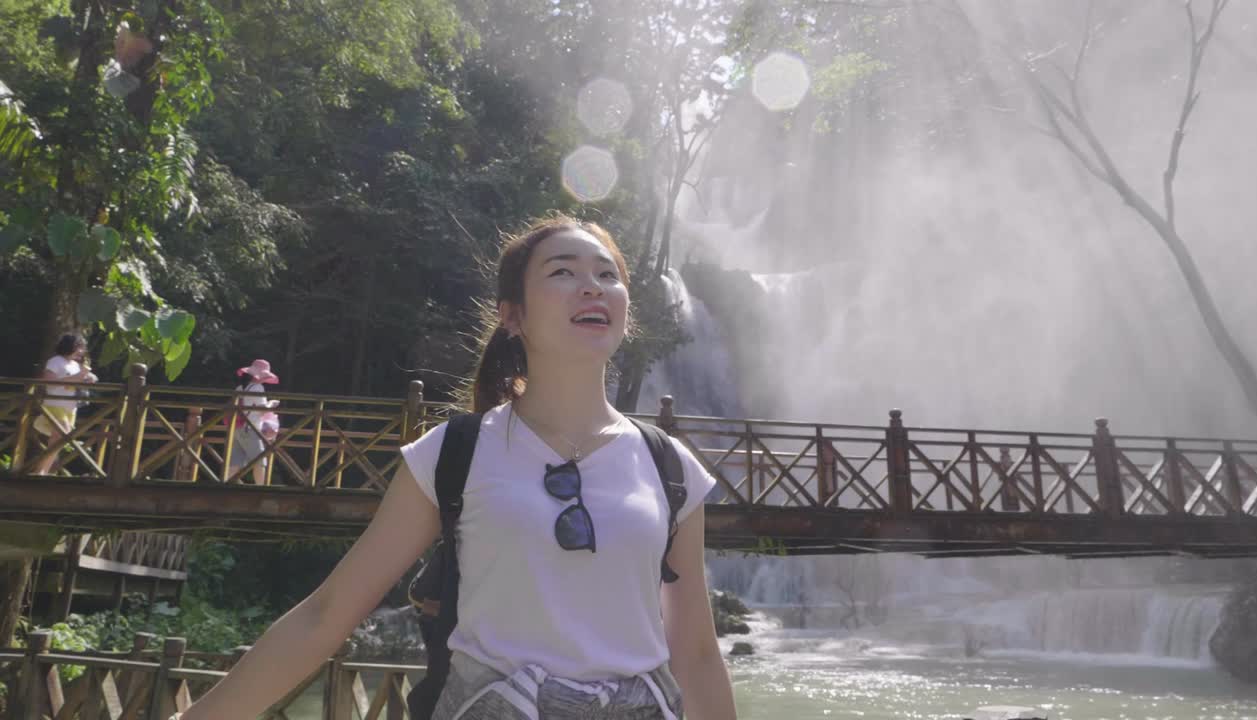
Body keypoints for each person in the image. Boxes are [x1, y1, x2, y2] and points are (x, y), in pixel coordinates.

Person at [178, 216, 737, 720]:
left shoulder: (669, 465)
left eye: (608, 275)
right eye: (563, 271)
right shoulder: (454, 452)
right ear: (512, 316)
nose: (592, 285)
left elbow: (695, 655)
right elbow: (325, 614)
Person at [32, 332, 97, 475]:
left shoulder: (76, 364)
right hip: (54, 404)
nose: (82, 351)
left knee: (58, 439)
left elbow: (87, 377)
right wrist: (76, 378)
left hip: (70, 408)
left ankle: (42, 471)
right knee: (61, 436)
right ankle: (40, 470)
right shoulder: (55, 361)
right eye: (80, 347)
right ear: (71, 346)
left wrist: (89, 378)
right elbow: (48, 380)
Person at [227, 359, 280, 485]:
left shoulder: (240, 387)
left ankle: (225, 487)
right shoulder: (257, 387)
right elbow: (262, 409)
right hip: (250, 428)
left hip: (237, 427)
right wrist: (272, 403)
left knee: (236, 460)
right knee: (260, 460)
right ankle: (262, 489)